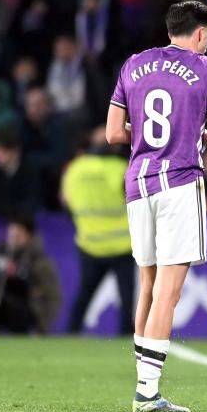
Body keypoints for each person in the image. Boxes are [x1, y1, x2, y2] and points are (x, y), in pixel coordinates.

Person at [105, 0, 207, 412]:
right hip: (178, 181)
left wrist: (145, 131)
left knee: (148, 285)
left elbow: (112, 134)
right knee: (168, 292)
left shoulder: (134, 64)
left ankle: (142, 383)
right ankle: (147, 392)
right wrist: (201, 134)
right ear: (198, 32)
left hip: (138, 182)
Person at [63, 125, 135, 336]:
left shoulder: (74, 169)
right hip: (122, 244)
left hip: (90, 243)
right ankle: (125, 337)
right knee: (127, 297)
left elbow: (66, 200)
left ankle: (71, 333)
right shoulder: (121, 168)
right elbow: (134, 198)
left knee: (85, 294)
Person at [0, 214, 61, 334]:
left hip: (27, 309)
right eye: (11, 235)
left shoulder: (39, 260)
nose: (13, 239)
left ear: (29, 236)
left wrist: (42, 326)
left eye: (18, 235)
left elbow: (53, 295)